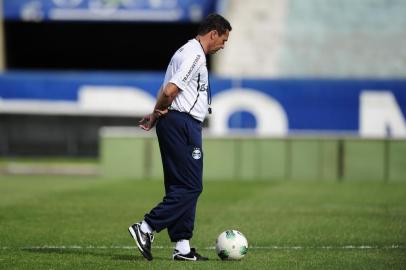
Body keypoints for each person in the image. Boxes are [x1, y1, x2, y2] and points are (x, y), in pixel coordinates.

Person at [128, 13, 232, 261]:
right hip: (182, 123)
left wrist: (155, 114)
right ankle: (146, 228)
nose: (224, 45)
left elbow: (166, 87)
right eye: (224, 39)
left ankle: (182, 247)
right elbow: (171, 90)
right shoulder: (195, 55)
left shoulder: (183, 51)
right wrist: (162, 110)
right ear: (213, 33)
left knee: (179, 186)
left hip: (174, 122)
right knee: (191, 186)